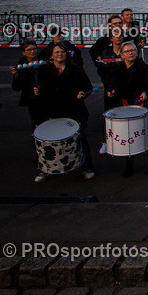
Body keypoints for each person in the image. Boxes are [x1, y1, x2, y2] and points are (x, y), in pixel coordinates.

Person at [34, 43, 95, 181]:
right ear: (51, 55)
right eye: (56, 52)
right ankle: (45, 169)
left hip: (74, 109)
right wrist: (38, 92)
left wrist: (83, 94)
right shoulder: (44, 71)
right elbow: (42, 91)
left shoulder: (76, 70)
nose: (59, 54)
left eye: (62, 52)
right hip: (53, 110)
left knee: (80, 138)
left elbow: (87, 87)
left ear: (67, 54)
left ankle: (87, 167)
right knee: (48, 141)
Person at [105, 42, 148, 177]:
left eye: (133, 50)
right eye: (127, 51)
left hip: (144, 106)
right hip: (126, 107)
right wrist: (111, 92)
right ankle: (129, 166)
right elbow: (110, 86)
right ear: (122, 55)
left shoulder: (145, 68)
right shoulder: (116, 71)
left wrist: (147, 93)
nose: (131, 53)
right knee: (128, 136)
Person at [90, 15, 128, 110]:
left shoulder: (126, 39)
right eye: (115, 23)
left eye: (120, 23)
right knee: (110, 105)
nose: (118, 25)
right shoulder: (103, 40)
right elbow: (93, 52)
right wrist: (100, 60)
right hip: (108, 77)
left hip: (124, 79)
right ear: (110, 26)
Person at [11, 40, 47, 129]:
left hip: (46, 94)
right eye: (29, 50)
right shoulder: (22, 65)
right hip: (32, 98)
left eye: (34, 49)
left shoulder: (44, 59)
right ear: (23, 52)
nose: (32, 52)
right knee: (36, 120)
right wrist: (16, 75)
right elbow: (17, 87)